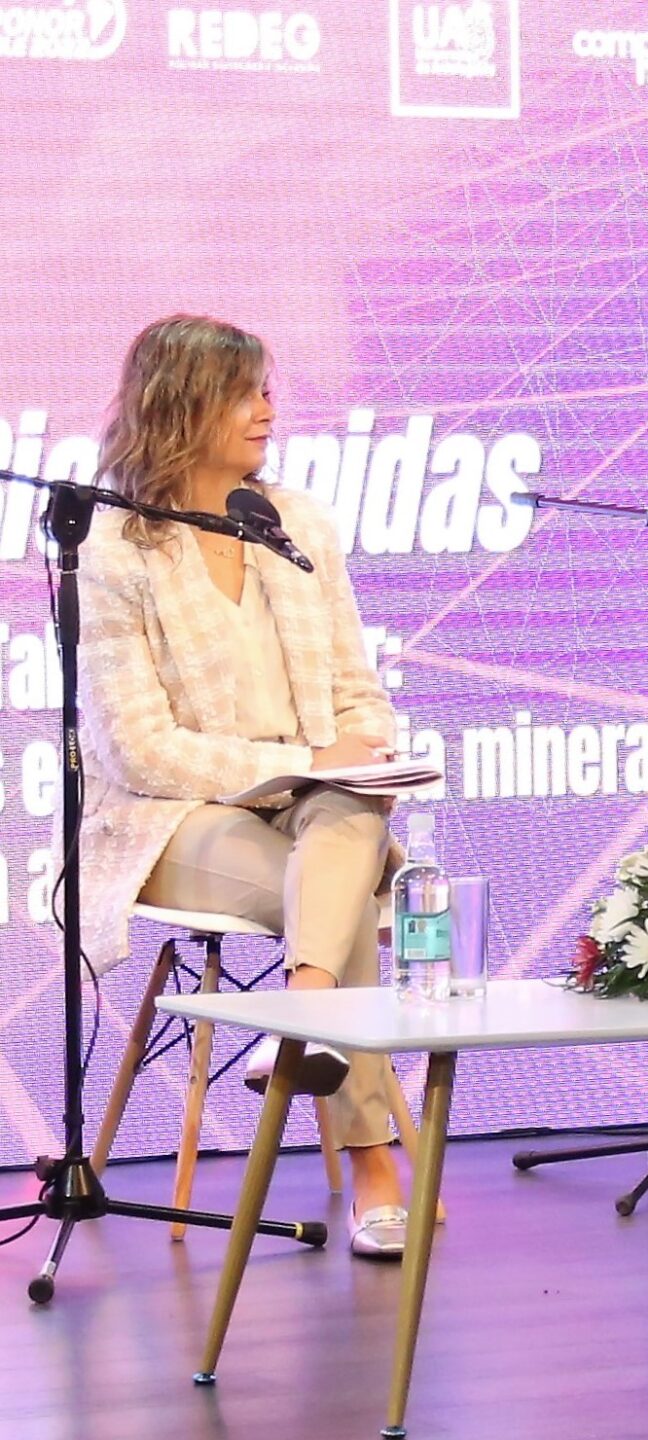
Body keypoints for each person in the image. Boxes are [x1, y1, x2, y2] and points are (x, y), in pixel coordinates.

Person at [79, 315, 415, 1259]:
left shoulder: (295, 522)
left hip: (310, 807)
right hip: (167, 819)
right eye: (249, 393)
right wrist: (291, 768)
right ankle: (375, 1164)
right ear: (184, 405)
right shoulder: (114, 551)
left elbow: (357, 688)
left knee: (347, 820)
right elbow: (138, 749)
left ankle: (300, 1011)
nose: (270, 412)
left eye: (270, 390)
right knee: (336, 899)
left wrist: (358, 748)